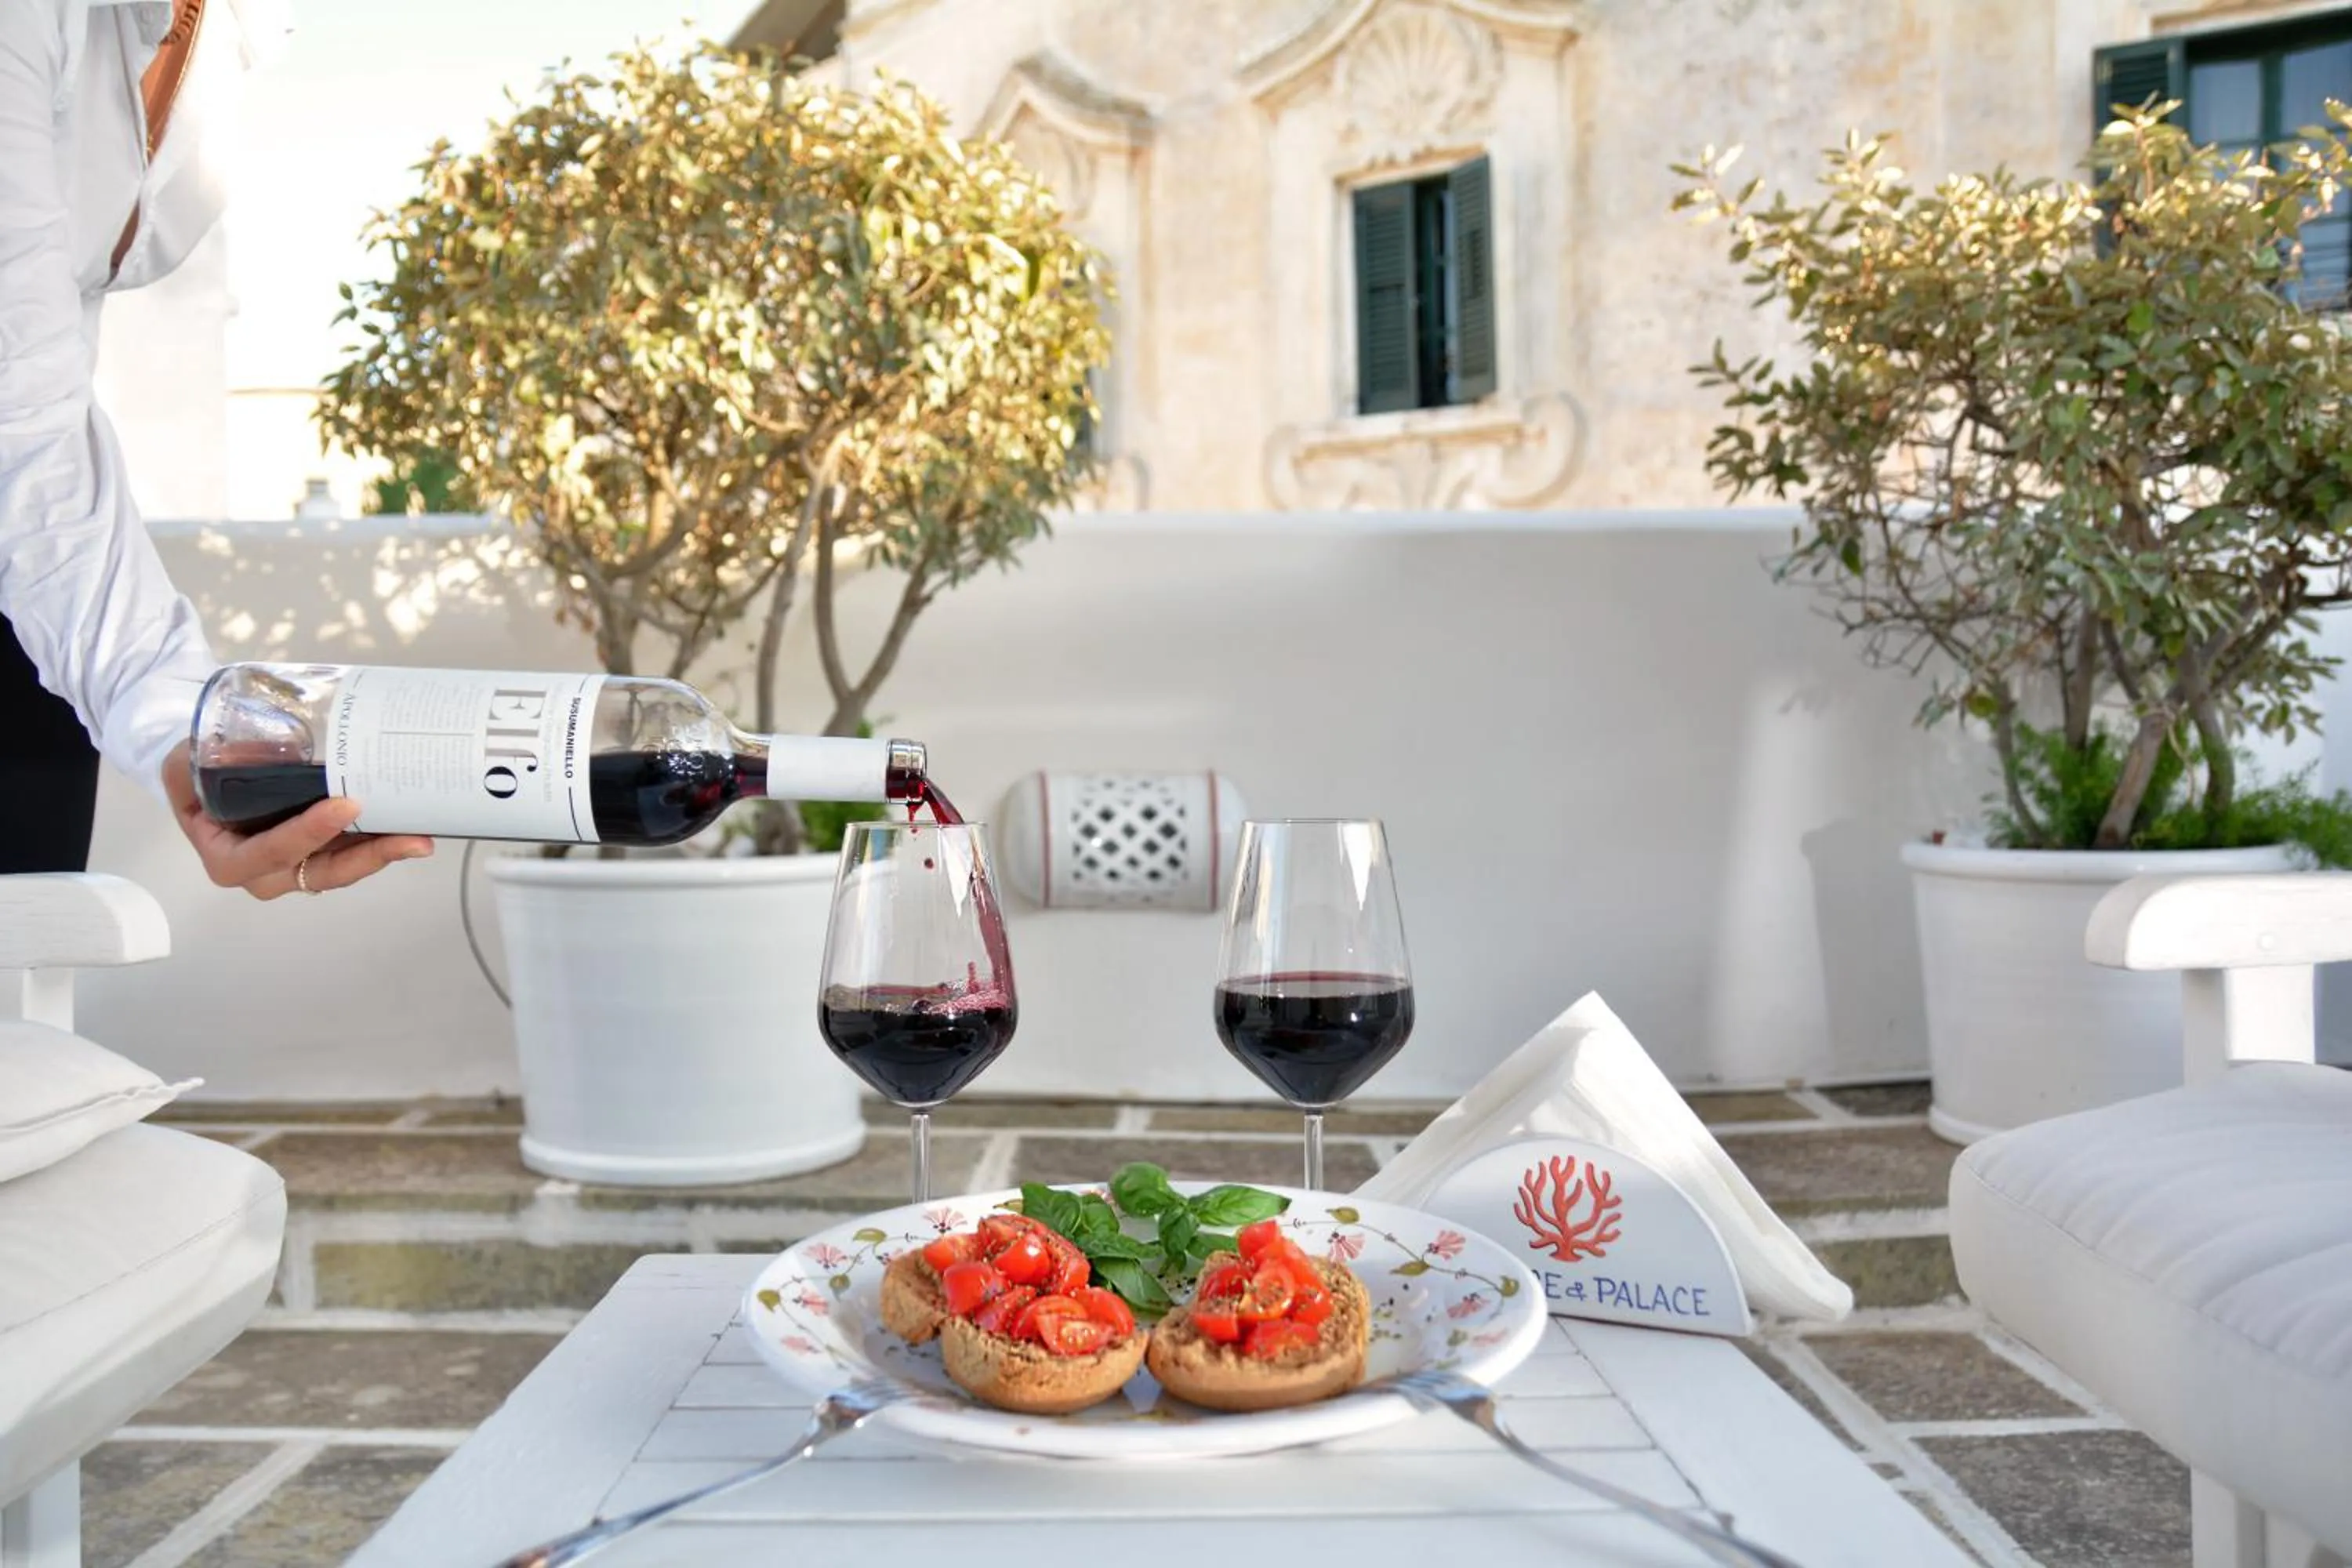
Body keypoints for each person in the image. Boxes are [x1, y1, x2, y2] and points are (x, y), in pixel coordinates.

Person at [0, 0, 429, 895]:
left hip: (32, 584)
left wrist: (198, 746)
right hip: (38, 522)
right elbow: (19, 401)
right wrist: (182, 719)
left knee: (23, 997)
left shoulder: (227, 28)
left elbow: (43, 368)